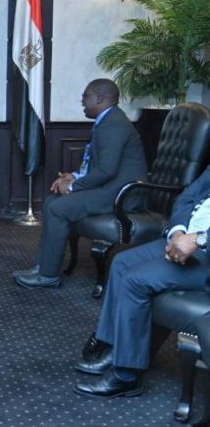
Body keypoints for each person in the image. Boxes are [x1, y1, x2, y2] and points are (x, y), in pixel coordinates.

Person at [73, 166, 210, 398]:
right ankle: (116, 348)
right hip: (188, 239)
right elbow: (188, 196)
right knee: (121, 264)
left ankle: (126, 376)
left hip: (204, 251)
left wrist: (200, 239)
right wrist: (178, 232)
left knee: (135, 280)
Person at [14, 78, 147, 288]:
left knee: (58, 208)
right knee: (51, 201)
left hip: (123, 195)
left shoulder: (113, 124)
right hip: (110, 188)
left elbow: (106, 170)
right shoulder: (107, 120)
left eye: (86, 96)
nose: (82, 100)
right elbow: (98, 165)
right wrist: (75, 176)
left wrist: (73, 186)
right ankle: (43, 266)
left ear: (99, 98)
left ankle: (48, 276)